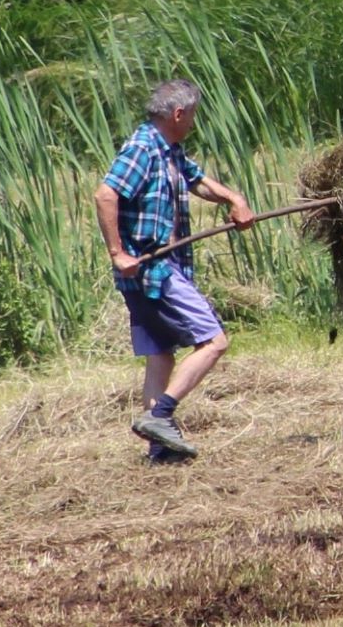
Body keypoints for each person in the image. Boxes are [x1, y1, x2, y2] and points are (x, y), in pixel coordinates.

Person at [93, 79, 255, 464]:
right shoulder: (143, 149)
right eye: (193, 115)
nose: (194, 123)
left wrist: (235, 199)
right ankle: (160, 415)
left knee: (161, 354)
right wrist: (117, 253)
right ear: (178, 114)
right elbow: (105, 194)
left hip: (161, 269)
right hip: (151, 271)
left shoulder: (171, 151)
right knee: (214, 341)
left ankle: (160, 450)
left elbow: (198, 182)